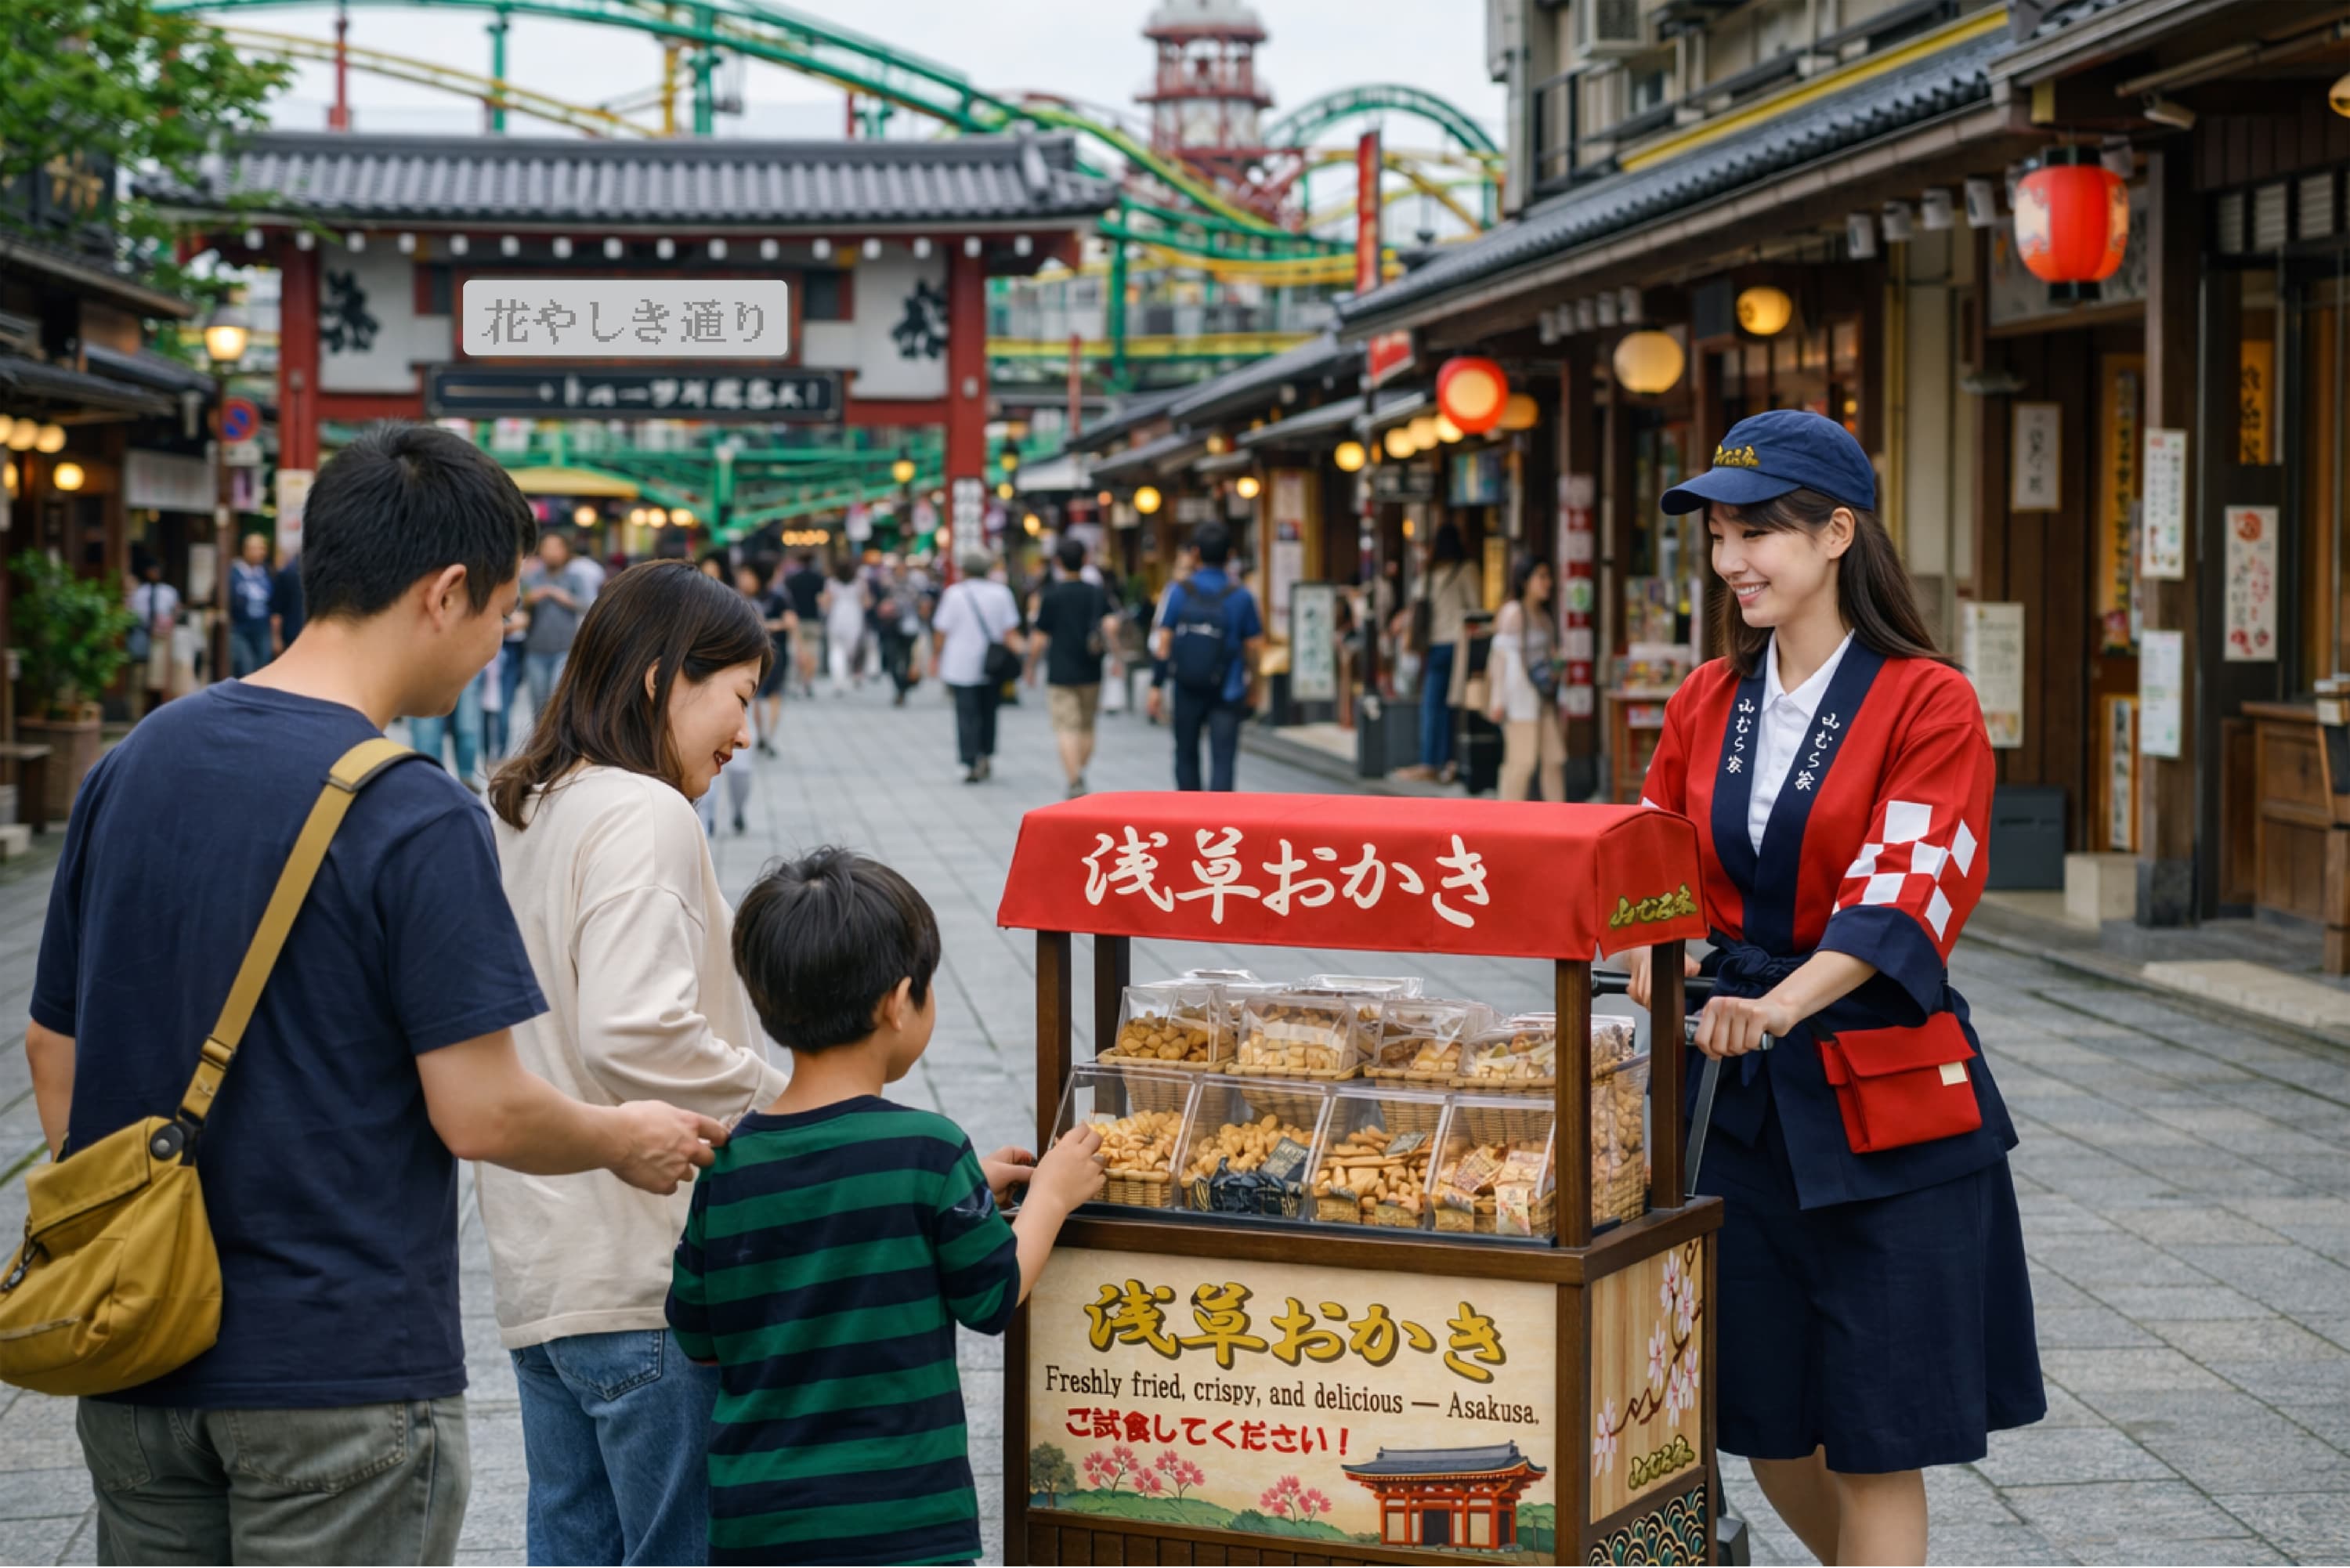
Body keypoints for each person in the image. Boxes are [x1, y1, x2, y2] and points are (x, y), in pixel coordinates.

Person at [25, 422, 725, 1565]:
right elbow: (480, 1109)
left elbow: (52, 1048)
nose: (501, 645)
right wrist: (620, 1134)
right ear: (445, 591)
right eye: (502, 612)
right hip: (337, 1372)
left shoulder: (132, 763)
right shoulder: (412, 810)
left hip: (137, 1357)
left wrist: (146, 1231)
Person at [1623, 410, 2042, 1568]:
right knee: (1767, 1426)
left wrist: (1786, 1001)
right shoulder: (1709, 695)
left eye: (1758, 532)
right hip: (1738, 1101)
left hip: (1883, 1097)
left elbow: (1909, 888)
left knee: (1874, 1438)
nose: (1733, 560)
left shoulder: (1927, 700)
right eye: (1718, 535)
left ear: (1838, 533)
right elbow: (1654, 865)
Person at [667, 847, 1104, 1566]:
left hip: (759, 1523)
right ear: (899, 1002)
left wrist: (959, 1198)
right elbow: (992, 1293)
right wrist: (1050, 1196)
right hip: (902, 1525)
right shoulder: (926, 1151)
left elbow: (698, 1336)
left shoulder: (731, 1163)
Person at [483, 561, 789, 1565]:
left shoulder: (528, 806)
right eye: (737, 696)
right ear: (664, 678)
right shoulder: (644, 811)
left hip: (544, 1281)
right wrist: (784, 1106)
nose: (742, 733)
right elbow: (634, 1029)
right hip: (645, 1277)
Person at [1148, 522, 1263, 793]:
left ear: (1195, 553)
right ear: (1231, 554)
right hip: (1229, 687)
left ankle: (1190, 817)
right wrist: (1256, 686)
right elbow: (1255, 646)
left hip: (1186, 684)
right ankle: (1220, 822)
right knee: (1223, 758)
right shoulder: (1242, 596)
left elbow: (1164, 641)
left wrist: (1156, 686)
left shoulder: (1180, 591)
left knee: (1185, 752)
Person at [1028, 537, 1118, 798]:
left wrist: (1030, 666)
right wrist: (1118, 659)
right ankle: (1080, 770)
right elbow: (1111, 625)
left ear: (1057, 562)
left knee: (1067, 727)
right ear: (1085, 560)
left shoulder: (1052, 595)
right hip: (1091, 668)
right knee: (1087, 725)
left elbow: (1040, 637)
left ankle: (1074, 779)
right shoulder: (1096, 592)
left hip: (1060, 669)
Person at [931, 549, 1024, 784]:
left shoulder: (954, 594)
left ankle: (967, 760)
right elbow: (1010, 632)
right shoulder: (1001, 593)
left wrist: (935, 657)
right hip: (993, 663)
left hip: (960, 663)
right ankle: (985, 754)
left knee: (965, 713)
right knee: (989, 711)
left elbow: (941, 630)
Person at [1399, 522, 1481, 783]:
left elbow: (1415, 601)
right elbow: (1476, 609)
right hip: (1459, 646)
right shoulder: (1467, 570)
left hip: (1434, 645)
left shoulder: (1429, 573)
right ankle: (1450, 763)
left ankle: (1430, 762)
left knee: (1432, 705)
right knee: (1454, 707)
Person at [1487, 558, 1566, 802]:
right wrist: (1497, 700)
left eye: (1548, 577)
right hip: (1519, 700)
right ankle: (1506, 826)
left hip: (1543, 698)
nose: (1547, 583)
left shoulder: (1544, 616)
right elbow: (1499, 659)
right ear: (1525, 581)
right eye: (1541, 577)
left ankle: (1561, 822)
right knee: (1521, 763)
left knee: (1553, 759)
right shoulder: (1513, 613)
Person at [521, 530, 598, 719]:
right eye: (547, 547)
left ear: (566, 551)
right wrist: (530, 599)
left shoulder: (574, 578)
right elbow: (517, 605)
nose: (551, 552)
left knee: (558, 704)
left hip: (564, 649)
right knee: (539, 706)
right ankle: (540, 746)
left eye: (556, 547)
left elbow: (589, 606)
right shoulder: (532, 578)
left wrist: (564, 597)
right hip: (535, 650)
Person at [742, 558, 794, 757]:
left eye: (748, 575)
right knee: (756, 695)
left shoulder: (779, 597)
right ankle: (761, 735)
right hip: (754, 652)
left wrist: (764, 626)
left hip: (776, 651)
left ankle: (769, 736)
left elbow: (790, 621)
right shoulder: (744, 597)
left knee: (773, 695)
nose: (744, 579)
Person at [125, 559, 183, 716]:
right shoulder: (139, 592)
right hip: (141, 634)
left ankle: (160, 712)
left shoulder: (168, 592)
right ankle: (135, 713)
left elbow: (177, 611)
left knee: (160, 679)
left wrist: (167, 624)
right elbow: (130, 613)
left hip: (162, 640)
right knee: (138, 676)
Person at [227, 534, 277, 678]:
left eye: (262, 548)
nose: (260, 552)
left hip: (262, 627)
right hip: (240, 628)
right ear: (245, 550)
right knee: (245, 667)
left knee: (263, 668)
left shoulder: (267, 572)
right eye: (255, 548)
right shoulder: (234, 574)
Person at [819, 558, 870, 696]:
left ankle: (838, 680)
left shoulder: (831, 582)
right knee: (851, 650)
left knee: (836, 650)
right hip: (854, 617)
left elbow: (826, 603)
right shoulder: (859, 583)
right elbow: (866, 602)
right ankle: (850, 675)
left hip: (837, 616)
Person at [783, 553, 826, 698]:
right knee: (812, 652)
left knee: (797, 652)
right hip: (813, 619)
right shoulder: (818, 578)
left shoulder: (792, 579)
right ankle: (808, 681)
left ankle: (797, 682)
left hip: (797, 619)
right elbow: (822, 600)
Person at [269, 544, 306, 656]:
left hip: (292, 633)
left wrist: (276, 638)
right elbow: (277, 612)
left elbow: (276, 611)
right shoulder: (290, 573)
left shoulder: (286, 572)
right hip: (297, 633)